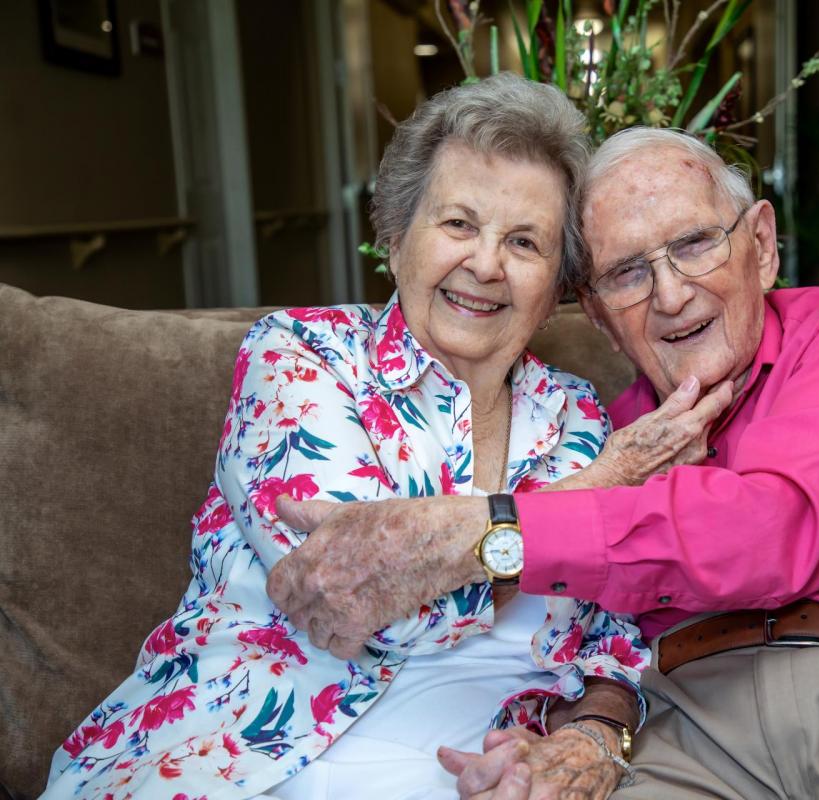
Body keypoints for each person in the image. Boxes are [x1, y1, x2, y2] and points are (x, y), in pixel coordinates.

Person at [269, 127, 819, 800]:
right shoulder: (599, 436)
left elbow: (770, 532)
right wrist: (586, 735)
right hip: (689, 732)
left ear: (761, 247)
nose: (670, 295)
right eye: (628, 271)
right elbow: (592, 649)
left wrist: (487, 532)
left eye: (695, 243)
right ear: (593, 311)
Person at [43, 76, 725, 800]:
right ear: (396, 239)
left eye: (524, 242)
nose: (487, 264)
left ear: (557, 286)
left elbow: (616, 639)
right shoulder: (301, 359)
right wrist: (595, 490)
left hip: (472, 770)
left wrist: (587, 737)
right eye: (459, 225)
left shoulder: (581, 420)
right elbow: (366, 603)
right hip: (245, 758)